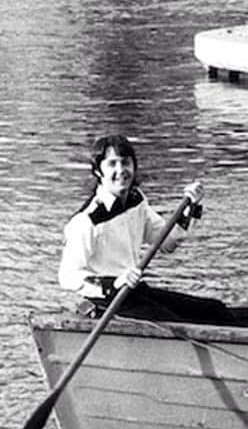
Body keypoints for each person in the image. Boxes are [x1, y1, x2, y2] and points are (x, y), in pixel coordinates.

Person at [58, 133, 234, 324]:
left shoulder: (136, 200)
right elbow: (68, 277)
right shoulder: (86, 221)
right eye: (112, 164)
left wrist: (191, 207)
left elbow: (168, 243)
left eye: (125, 163)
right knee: (179, 325)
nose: (121, 170)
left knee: (214, 310)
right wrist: (113, 284)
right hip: (106, 303)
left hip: (134, 293)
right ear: (98, 172)